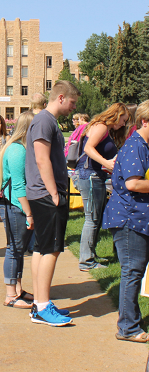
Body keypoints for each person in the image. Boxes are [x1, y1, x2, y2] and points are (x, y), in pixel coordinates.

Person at [25, 80, 79, 326]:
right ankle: (43, 307)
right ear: (60, 97)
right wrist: (55, 194)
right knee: (51, 250)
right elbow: (41, 159)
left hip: (43, 194)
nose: (73, 107)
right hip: (47, 195)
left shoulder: (46, 121)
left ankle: (40, 303)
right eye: (72, 102)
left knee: (41, 248)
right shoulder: (45, 120)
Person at [102, 100, 149, 343]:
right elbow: (133, 183)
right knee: (132, 271)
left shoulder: (142, 145)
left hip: (137, 217)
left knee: (135, 271)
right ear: (144, 121)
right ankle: (128, 327)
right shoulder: (136, 146)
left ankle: (130, 320)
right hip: (130, 218)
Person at [75, 103, 128, 271]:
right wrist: (106, 163)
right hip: (89, 175)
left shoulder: (101, 127)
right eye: (123, 120)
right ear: (116, 115)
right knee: (92, 219)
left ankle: (90, 255)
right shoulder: (101, 127)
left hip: (93, 175)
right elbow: (88, 148)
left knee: (95, 218)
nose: (124, 124)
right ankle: (86, 261)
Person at [0, 111, 35, 309]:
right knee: (14, 249)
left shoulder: (19, 147)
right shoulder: (17, 150)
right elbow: (19, 185)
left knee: (18, 250)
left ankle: (18, 289)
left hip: (16, 205)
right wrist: (29, 213)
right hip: (15, 206)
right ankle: (10, 294)